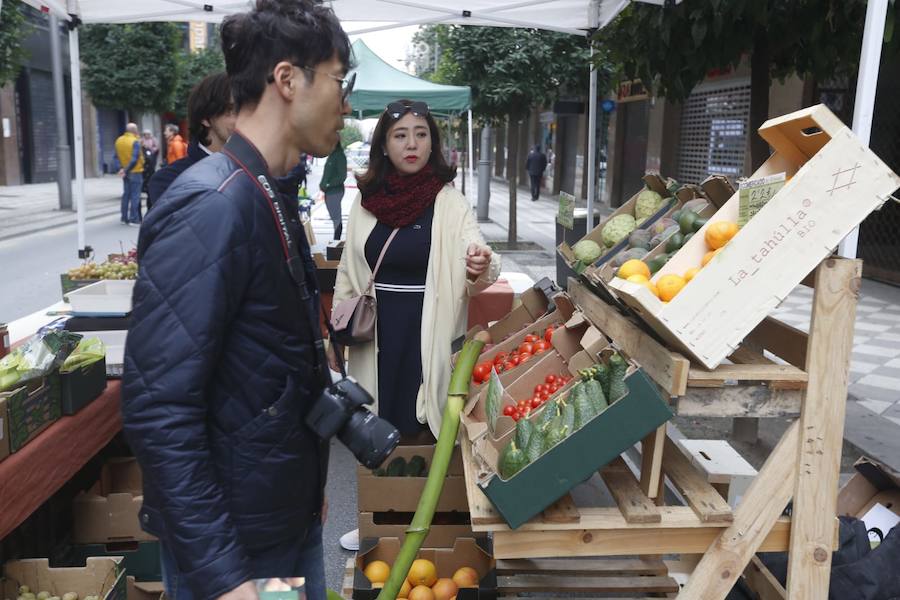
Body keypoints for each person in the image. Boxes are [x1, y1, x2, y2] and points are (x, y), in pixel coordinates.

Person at [122, 1, 353, 598]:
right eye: (338, 80)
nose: (346, 103)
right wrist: (225, 580)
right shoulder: (213, 203)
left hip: (275, 526)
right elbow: (159, 409)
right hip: (233, 554)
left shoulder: (262, 188)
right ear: (286, 79)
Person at [333, 99, 499, 551]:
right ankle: (376, 520)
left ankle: (431, 524)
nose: (412, 143)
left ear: (433, 142)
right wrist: (338, 326)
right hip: (378, 334)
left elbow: (479, 254)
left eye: (421, 134)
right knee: (376, 426)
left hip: (428, 329)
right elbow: (350, 272)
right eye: (400, 134)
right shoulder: (365, 202)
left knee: (426, 427)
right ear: (384, 145)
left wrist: (480, 262)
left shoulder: (449, 201)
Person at [148, 73, 237, 206]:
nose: (241, 119)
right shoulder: (169, 180)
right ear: (206, 119)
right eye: (231, 110)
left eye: (246, 110)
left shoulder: (260, 171)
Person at [114, 122, 144, 225]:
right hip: (135, 171)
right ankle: (134, 219)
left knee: (126, 195)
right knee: (135, 195)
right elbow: (134, 159)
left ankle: (124, 218)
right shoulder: (135, 141)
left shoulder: (119, 140)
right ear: (134, 130)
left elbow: (116, 157)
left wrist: (120, 169)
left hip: (124, 172)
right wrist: (126, 169)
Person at [320, 141, 346, 239]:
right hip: (329, 191)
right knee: (334, 217)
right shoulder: (332, 155)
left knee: (336, 217)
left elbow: (342, 176)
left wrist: (328, 184)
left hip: (335, 191)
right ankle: (336, 239)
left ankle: (336, 240)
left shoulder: (339, 156)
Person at [141, 130, 159, 199]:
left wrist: (151, 149)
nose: (147, 136)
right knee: (144, 173)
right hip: (144, 159)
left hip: (151, 158)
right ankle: (144, 187)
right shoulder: (142, 140)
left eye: (148, 134)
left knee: (151, 172)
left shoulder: (153, 140)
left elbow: (156, 148)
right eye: (145, 134)